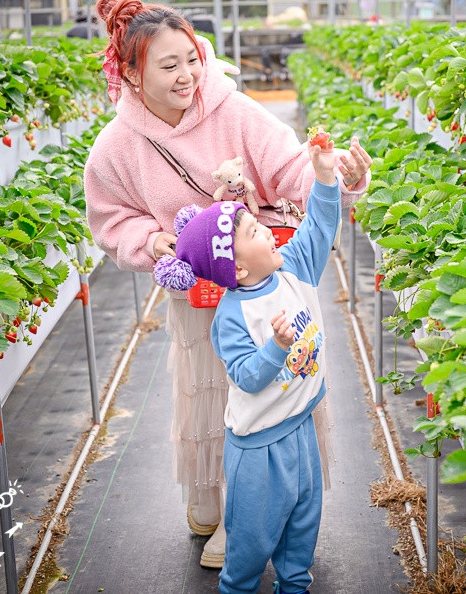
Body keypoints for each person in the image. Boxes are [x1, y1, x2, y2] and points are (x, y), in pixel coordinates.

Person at [83, 0, 372, 569]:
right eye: (168, 67)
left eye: (191, 59)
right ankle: (210, 502)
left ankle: (254, 513)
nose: (187, 75)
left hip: (261, 274)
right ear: (132, 76)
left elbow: (288, 168)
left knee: (269, 388)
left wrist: (334, 176)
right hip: (198, 290)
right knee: (207, 388)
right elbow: (111, 218)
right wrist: (152, 240)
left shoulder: (234, 111)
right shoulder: (117, 146)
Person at [153, 137, 341, 594]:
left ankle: (295, 585)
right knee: (251, 543)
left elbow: (318, 226)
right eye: (255, 233)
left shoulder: (291, 267)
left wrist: (325, 175)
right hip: (259, 448)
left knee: (302, 528)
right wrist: (277, 347)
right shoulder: (233, 317)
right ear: (235, 269)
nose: (268, 231)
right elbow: (248, 377)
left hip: (299, 427)